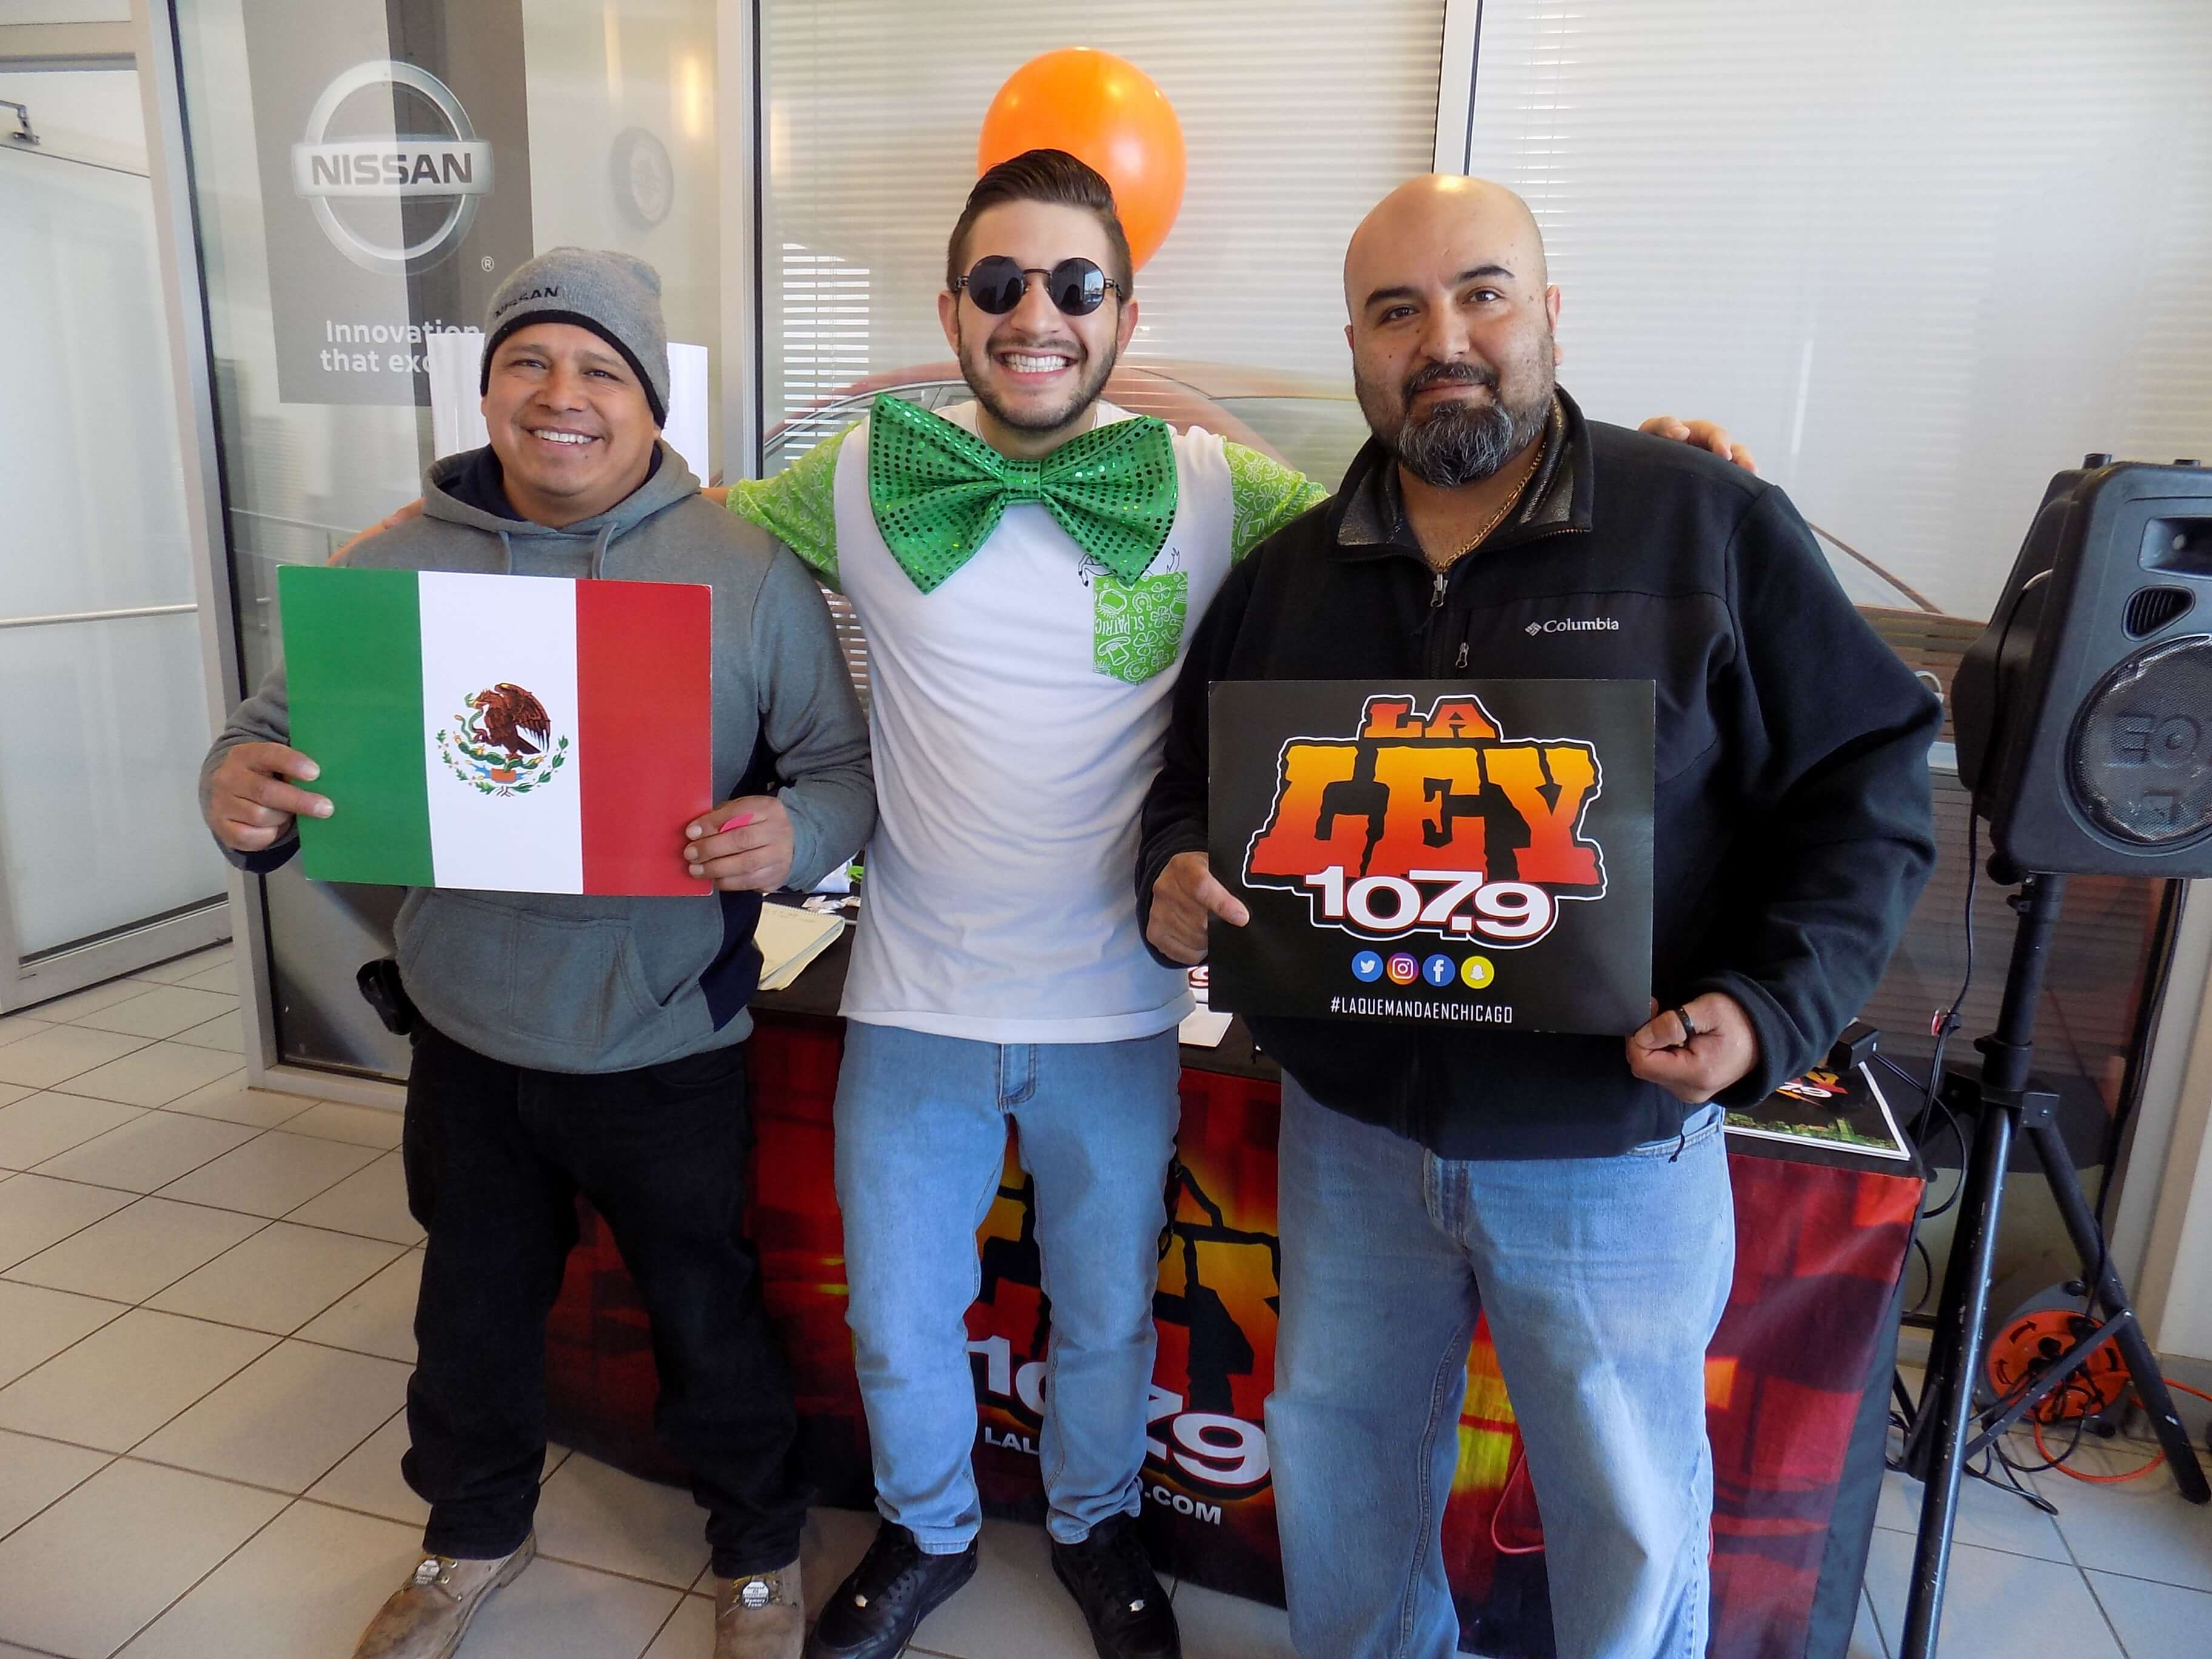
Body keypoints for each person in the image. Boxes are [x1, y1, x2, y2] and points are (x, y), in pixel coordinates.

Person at [335, 156, 1744, 1659]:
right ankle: (928, 1530)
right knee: (896, 1318)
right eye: (1000, 284)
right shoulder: (862, 475)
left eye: (1075, 285)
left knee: (1109, 1314)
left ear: (1126, 312)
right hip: (912, 995)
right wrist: (453, 531)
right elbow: (670, 532)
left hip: (1119, 1001)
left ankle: (1095, 1527)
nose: (1036, 315)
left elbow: (1427, 508)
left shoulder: (1216, 487)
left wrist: (1634, 478)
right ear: (951, 309)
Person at [1137, 176, 1940, 1659]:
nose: (1444, 339)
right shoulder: (1286, 579)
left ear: (1550, 313)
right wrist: (1176, 878)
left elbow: (1866, 787)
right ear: (1356, 345)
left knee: (1624, 1508)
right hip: (1352, 1139)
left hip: (1610, 1150)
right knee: (1345, 1476)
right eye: (1397, 311)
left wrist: (1770, 1008)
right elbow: (1187, 789)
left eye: (1483, 293)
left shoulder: (1703, 525)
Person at [199, 247, 874, 1659]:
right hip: (470, 1033)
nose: (562, 394)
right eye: (529, 361)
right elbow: (269, 738)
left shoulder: (746, 572)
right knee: (471, 1321)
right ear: (487, 387)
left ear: (650, 401)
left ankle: (759, 1554)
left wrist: (793, 832)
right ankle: (468, 1538)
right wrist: (238, 788)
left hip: (667, 1034)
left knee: (706, 1316)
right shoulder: (390, 564)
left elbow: (839, 770)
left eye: (600, 369)